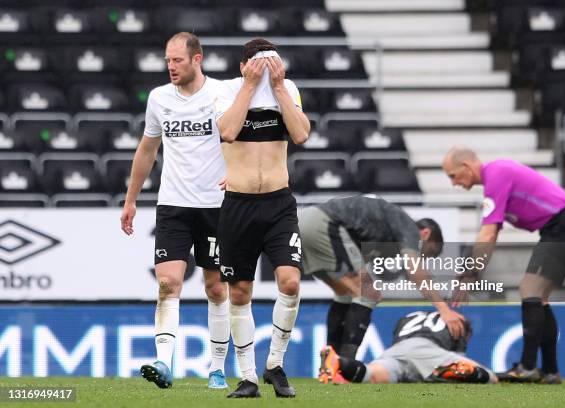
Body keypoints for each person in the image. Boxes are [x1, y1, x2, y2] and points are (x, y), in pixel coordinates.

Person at [120, 32, 230, 389]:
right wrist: (131, 199)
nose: (170, 66)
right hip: (173, 205)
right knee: (168, 283)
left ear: (197, 59)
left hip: (215, 207)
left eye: (177, 60)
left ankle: (216, 368)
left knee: (216, 287)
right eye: (167, 60)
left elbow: (242, 142)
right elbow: (147, 149)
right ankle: (164, 363)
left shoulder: (221, 95)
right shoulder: (159, 99)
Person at [442, 145, 565, 384]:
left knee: (529, 290)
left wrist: (469, 274)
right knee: (538, 297)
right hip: (563, 225)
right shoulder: (496, 177)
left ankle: (527, 367)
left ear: (467, 167)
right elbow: (492, 234)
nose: (453, 182)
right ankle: (550, 372)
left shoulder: (496, 175)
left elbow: (487, 235)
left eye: (452, 175)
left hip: (563, 225)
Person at [215, 38, 310, 398]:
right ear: (243, 66)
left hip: (278, 204)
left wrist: (280, 86)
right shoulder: (227, 91)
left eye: (271, 63)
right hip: (237, 203)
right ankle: (248, 377)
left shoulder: (288, 89)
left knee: (290, 282)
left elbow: (300, 133)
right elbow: (226, 131)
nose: (265, 69)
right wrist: (251, 86)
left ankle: (275, 364)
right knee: (239, 292)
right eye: (257, 64)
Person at [298, 195, 466, 367]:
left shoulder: (384, 233)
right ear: (425, 233)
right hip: (324, 225)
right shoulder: (409, 228)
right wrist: (444, 309)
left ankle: (329, 366)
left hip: (303, 221)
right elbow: (414, 269)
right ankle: (346, 365)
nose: (421, 257)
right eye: (426, 253)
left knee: (346, 295)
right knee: (369, 294)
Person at [319, 310, 497, 385]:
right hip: (431, 350)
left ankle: (338, 362)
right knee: (491, 377)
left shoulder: (408, 317)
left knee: (372, 374)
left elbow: (397, 338)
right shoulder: (457, 321)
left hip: (398, 350)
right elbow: (457, 354)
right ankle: (442, 373)